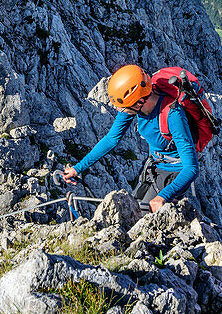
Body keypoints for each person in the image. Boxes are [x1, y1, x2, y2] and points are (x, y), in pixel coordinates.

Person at [62, 65, 200, 213]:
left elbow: (191, 168)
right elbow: (111, 139)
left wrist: (163, 196)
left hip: (175, 174)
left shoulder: (173, 115)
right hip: (153, 166)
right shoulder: (135, 104)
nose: (121, 111)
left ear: (139, 101)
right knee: (134, 211)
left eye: (124, 107)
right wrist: (78, 168)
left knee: (145, 219)